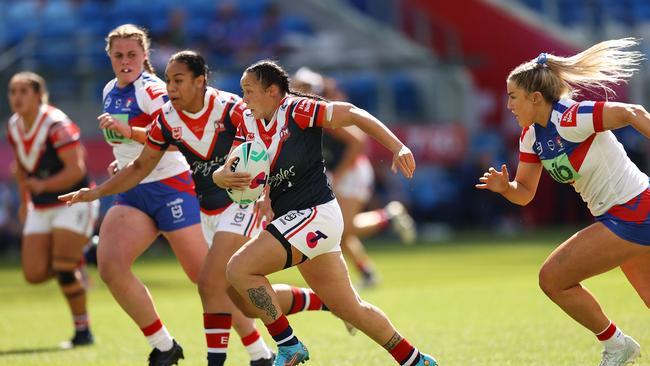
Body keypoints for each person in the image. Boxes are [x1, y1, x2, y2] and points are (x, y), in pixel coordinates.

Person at [62, 50, 343, 366]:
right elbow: (140, 167)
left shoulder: (230, 108)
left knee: (210, 282)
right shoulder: (166, 118)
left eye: (178, 80)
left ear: (200, 81)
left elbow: (268, 142)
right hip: (207, 211)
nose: (171, 87)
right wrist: (97, 191)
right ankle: (323, 303)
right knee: (241, 297)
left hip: (241, 206)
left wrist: (265, 193)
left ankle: (235, 357)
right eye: (168, 80)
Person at [214, 60, 437, 366]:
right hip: (298, 221)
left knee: (239, 269)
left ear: (273, 91)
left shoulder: (297, 109)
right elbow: (229, 169)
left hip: (315, 214)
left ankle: (288, 345)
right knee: (348, 308)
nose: (243, 98)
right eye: (242, 91)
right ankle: (416, 360)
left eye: (248, 90)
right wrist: (221, 177)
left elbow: (354, 114)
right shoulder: (248, 122)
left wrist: (397, 146)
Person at [476, 38, 650, 366]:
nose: (509, 106)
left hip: (633, 211)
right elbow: (524, 192)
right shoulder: (531, 136)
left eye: (513, 97)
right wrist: (505, 187)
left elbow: (632, 112)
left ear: (536, 97)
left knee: (553, 279)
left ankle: (617, 345)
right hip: (626, 216)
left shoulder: (571, 118)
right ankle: (618, 345)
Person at [94, 24, 210, 366]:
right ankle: (164, 346)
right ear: (110, 57)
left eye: (132, 54)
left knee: (204, 278)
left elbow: (175, 136)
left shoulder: (152, 89)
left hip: (170, 185)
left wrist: (130, 132)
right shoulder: (109, 89)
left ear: (145, 56)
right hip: (134, 190)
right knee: (111, 267)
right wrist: (121, 163)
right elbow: (128, 145)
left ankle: (259, 351)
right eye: (119, 55)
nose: (125, 60)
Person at [291, 67, 416, 288]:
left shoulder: (321, 111)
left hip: (352, 172)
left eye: (302, 87)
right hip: (341, 171)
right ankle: (366, 272)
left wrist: (338, 174)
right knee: (337, 229)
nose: (295, 90)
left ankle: (387, 217)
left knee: (341, 228)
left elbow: (358, 141)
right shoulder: (304, 112)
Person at [6, 71, 99, 348]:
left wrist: (42, 184)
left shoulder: (57, 125)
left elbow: (76, 170)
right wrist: (25, 202)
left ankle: (83, 332)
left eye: (24, 91)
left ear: (38, 95)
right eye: (13, 92)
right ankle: (84, 252)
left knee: (63, 266)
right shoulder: (14, 125)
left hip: (73, 200)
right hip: (42, 204)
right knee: (33, 274)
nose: (17, 97)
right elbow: (22, 167)